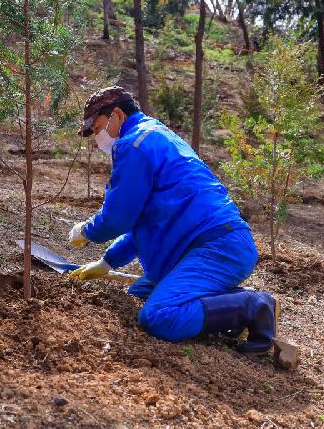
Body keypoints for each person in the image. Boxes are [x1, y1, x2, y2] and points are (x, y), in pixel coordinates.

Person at [65, 86, 276, 352]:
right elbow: (143, 220)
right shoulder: (154, 136)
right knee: (139, 294)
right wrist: (107, 262)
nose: (98, 138)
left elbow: (118, 218)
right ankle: (227, 305)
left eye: (97, 128)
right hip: (199, 246)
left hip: (214, 246)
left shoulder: (134, 144)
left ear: (117, 114)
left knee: (158, 316)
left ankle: (253, 306)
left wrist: (86, 231)